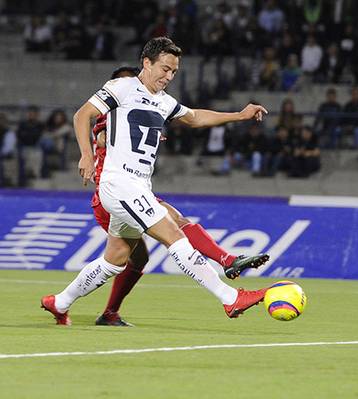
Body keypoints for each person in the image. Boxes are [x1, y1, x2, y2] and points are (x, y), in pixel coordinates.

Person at [40, 37, 271, 326]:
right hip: (119, 182)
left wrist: (239, 115)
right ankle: (230, 298)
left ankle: (59, 302)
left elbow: (196, 117)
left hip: (138, 186)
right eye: (164, 69)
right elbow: (82, 115)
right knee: (174, 233)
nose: (168, 76)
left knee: (115, 259)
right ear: (146, 63)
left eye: (173, 72)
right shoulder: (122, 87)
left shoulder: (164, 102)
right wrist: (86, 154)